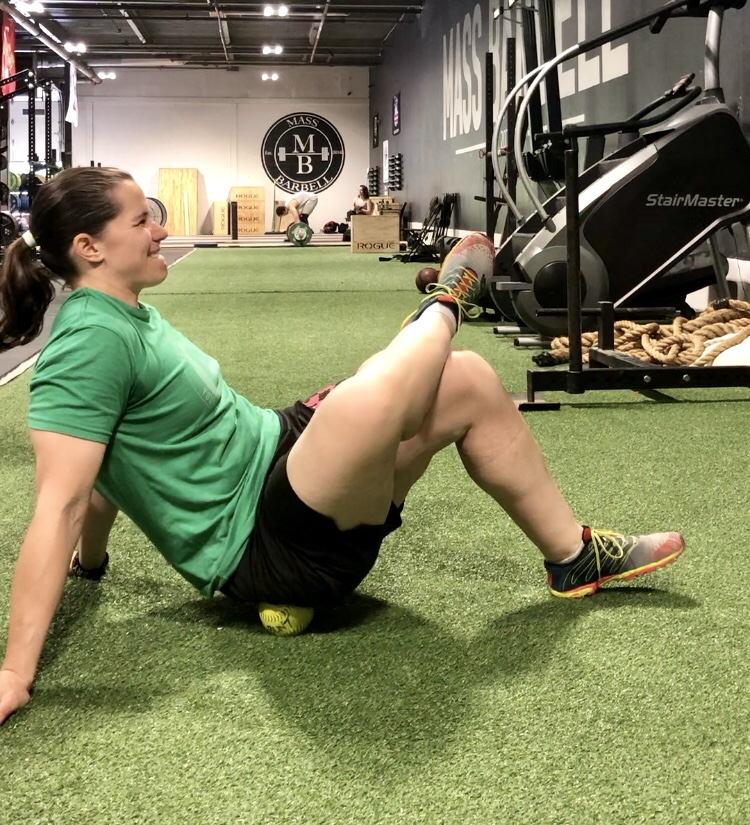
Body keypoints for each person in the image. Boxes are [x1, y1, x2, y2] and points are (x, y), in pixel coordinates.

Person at [0, 167, 685, 725]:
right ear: (90, 247)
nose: (160, 227)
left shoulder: (125, 313)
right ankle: (447, 303)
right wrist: (13, 673)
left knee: (470, 380)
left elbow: (104, 471)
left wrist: (94, 564)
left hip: (280, 451)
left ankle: (571, 555)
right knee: (365, 402)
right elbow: (61, 502)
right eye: (141, 220)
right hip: (266, 545)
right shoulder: (88, 344)